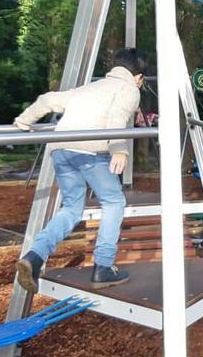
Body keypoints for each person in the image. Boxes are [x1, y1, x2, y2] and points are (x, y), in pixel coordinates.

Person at [12, 48, 147, 291]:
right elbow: (116, 118)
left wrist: (24, 121)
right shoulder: (129, 89)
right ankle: (103, 266)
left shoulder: (90, 87)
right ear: (138, 78)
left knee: (72, 208)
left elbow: (46, 100)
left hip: (61, 150)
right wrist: (119, 149)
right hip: (90, 151)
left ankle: (34, 257)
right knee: (114, 202)